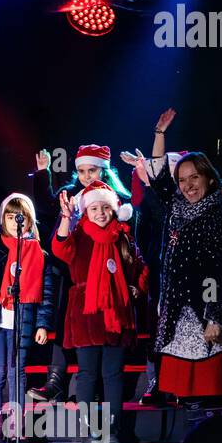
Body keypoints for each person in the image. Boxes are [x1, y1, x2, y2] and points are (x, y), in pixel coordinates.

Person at [30, 139, 139, 403]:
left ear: (104, 171)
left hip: (110, 282)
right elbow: (47, 210)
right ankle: (57, 381)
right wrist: (44, 174)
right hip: (75, 273)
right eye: (82, 171)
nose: (87, 176)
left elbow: (132, 248)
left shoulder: (117, 205)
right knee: (69, 330)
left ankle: (107, 414)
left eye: (93, 170)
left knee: (109, 365)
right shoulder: (71, 195)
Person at [144, 143, 222, 408]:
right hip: (179, 315)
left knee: (209, 392)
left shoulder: (218, 214)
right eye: (182, 180)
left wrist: (214, 316)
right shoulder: (177, 207)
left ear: (209, 178)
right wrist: (159, 135)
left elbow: (221, 270)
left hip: (204, 316)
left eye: (194, 177)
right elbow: (158, 178)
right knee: (187, 397)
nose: (188, 185)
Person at [51, 180, 146, 443]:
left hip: (115, 314)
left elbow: (140, 267)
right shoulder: (79, 234)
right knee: (87, 374)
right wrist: (65, 218)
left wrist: (137, 287)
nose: (100, 212)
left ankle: (113, 429)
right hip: (86, 314)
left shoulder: (123, 235)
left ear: (114, 209)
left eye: (105, 207)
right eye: (94, 208)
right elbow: (60, 249)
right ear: (86, 211)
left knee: (113, 375)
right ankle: (88, 427)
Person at [0, 194, 58, 439]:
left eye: (21, 217)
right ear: (3, 219)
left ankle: (17, 426)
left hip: (22, 320)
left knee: (17, 371)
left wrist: (42, 325)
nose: (15, 221)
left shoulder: (39, 253)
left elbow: (47, 293)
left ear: (29, 221)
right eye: (9, 216)